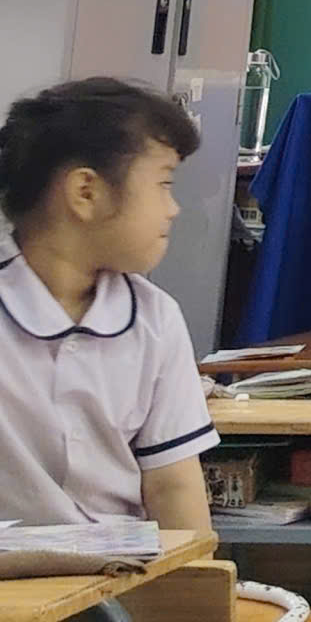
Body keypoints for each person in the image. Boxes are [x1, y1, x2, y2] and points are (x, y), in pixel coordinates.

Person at [0, 79, 214, 530]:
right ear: (86, 192)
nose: (173, 208)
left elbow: (173, 485)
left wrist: (197, 573)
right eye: (163, 184)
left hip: (122, 568)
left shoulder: (156, 319)